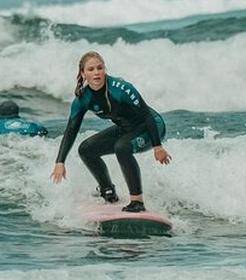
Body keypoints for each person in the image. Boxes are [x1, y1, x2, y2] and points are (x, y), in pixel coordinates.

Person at [50, 51, 171, 212]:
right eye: (91, 69)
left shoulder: (121, 89)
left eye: (100, 68)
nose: (96, 72)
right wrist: (60, 161)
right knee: (86, 149)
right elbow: (71, 129)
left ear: (104, 69)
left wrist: (157, 146)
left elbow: (146, 115)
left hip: (151, 127)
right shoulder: (83, 98)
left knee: (122, 147)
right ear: (83, 74)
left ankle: (137, 201)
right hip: (126, 130)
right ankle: (107, 191)